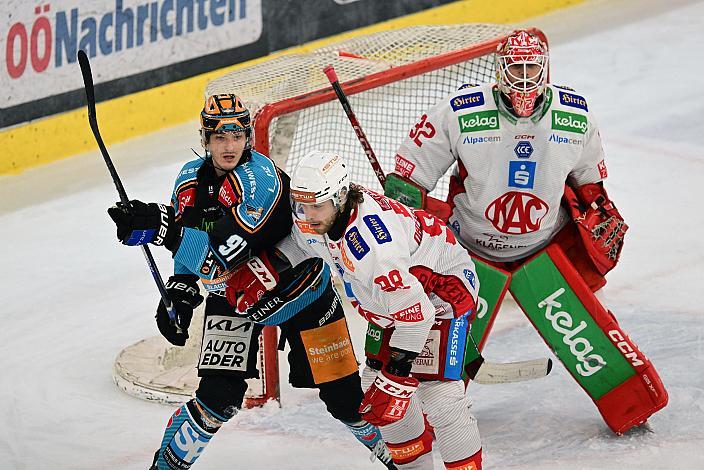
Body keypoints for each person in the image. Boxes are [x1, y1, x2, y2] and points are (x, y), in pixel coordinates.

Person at [383, 29, 667, 434]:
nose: (523, 76)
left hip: (545, 248)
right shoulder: (458, 110)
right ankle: (422, 414)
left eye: (531, 66)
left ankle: (630, 400)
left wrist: (598, 208)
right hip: (468, 253)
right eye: (515, 66)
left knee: (589, 329)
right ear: (499, 69)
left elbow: (591, 190)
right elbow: (405, 186)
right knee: (442, 344)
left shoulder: (576, 114)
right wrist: (416, 226)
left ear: (546, 68)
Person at [107, 94, 396, 469]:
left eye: (237, 136)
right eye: (219, 137)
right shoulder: (187, 182)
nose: (229, 146)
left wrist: (159, 228)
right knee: (216, 400)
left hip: (303, 291)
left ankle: (402, 462)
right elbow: (193, 246)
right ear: (205, 139)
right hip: (236, 296)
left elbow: (217, 257)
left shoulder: (261, 181)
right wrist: (180, 289)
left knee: (346, 403)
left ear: (248, 138)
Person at [229, 150, 484, 469]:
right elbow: (301, 244)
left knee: (438, 396)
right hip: (391, 303)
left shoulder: (374, 245)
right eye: (303, 206)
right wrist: (266, 268)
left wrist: (398, 375)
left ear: (339, 197)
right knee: (376, 393)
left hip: (439, 291)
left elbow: (418, 316)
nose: (307, 215)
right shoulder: (316, 210)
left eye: (316, 206)